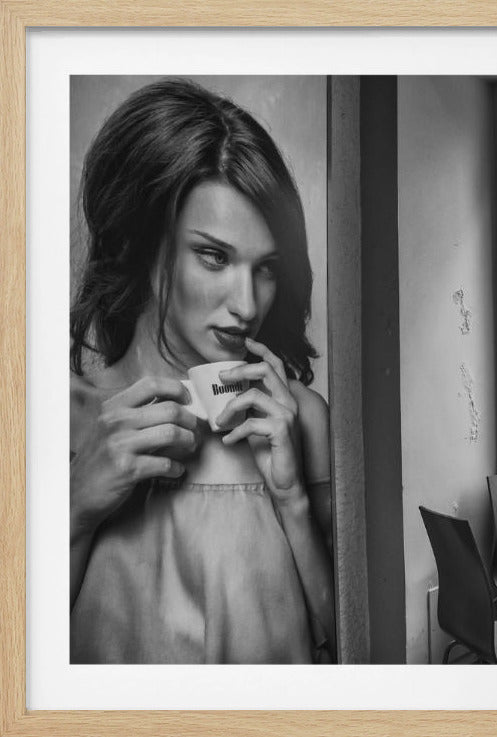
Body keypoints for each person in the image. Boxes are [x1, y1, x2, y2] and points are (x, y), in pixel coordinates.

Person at [69, 79, 336, 663]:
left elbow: (350, 648)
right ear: (144, 244)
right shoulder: (59, 418)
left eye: (266, 268)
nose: (247, 304)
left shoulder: (302, 420)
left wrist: (291, 501)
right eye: (214, 256)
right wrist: (73, 511)